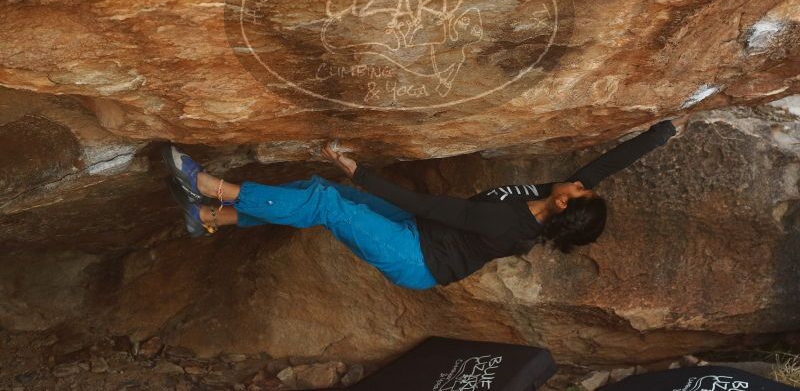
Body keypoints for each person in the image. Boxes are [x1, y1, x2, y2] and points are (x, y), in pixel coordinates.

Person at [162, 119, 678, 290]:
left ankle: (208, 187)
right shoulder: (551, 197)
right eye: (583, 185)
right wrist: (663, 133)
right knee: (333, 197)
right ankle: (207, 218)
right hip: (423, 233)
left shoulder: (505, 222)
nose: (581, 182)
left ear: (566, 207)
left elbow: (423, 204)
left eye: (580, 191)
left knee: (328, 200)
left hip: (419, 258)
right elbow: (608, 165)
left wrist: (357, 169)